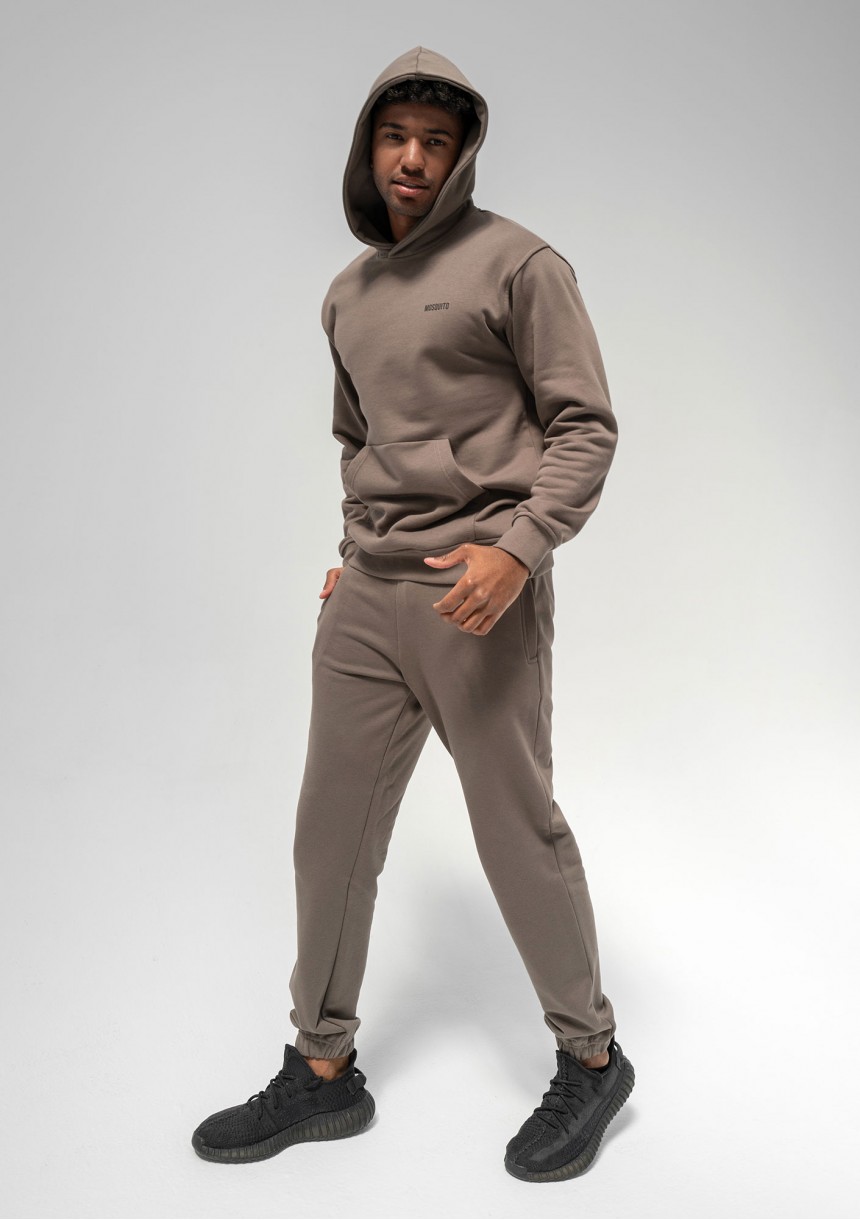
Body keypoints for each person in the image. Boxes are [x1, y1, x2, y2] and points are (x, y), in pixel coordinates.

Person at [192, 45, 634, 1182]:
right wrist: (351, 559)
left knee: (514, 828)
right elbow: (358, 440)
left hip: (475, 591)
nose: (412, 158)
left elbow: (584, 426)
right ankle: (321, 1068)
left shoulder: (520, 263)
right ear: (367, 147)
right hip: (367, 595)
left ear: (462, 155)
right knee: (327, 832)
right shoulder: (347, 294)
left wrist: (518, 550)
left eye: (436, 142)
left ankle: (590, 1056)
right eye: (395, 137)